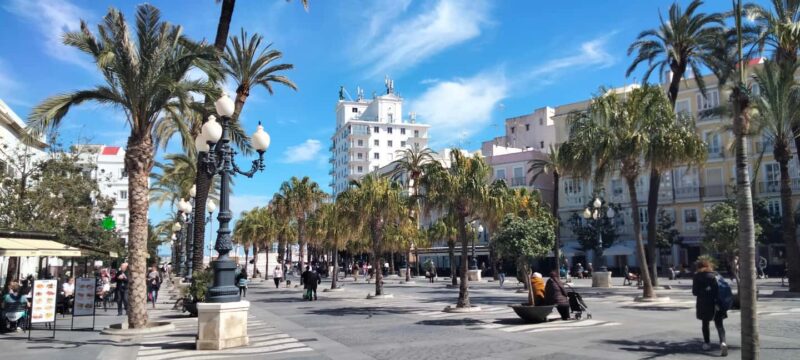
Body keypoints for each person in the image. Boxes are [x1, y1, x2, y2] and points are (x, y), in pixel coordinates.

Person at [692, 259, 728, 356]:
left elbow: (695, 292)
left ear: (698, 267)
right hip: (717, 303)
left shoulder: (697, 276)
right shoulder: (715, 274)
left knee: (705, 323)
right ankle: (723, 342)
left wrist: (703, 290)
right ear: (709, 266)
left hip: (704, 303)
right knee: (719, 324)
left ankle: (707, 343)